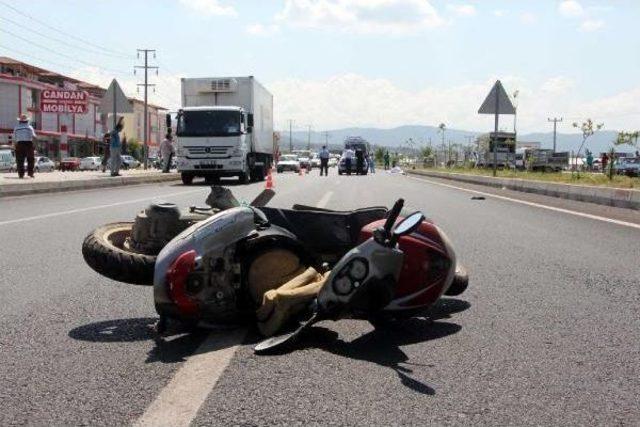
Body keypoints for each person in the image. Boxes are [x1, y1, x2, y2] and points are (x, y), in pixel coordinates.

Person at [13, 114, 37, 179]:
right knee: (31, 159)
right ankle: (30, 173)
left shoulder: (16, 127)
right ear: (27, 121)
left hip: (19, 144)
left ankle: (21, 174)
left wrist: (14, 146)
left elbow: (14, 138)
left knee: (20, 160)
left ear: (20, 121)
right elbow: (34, 136)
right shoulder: (30, 127)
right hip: (28, 144)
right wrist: (34, 145)